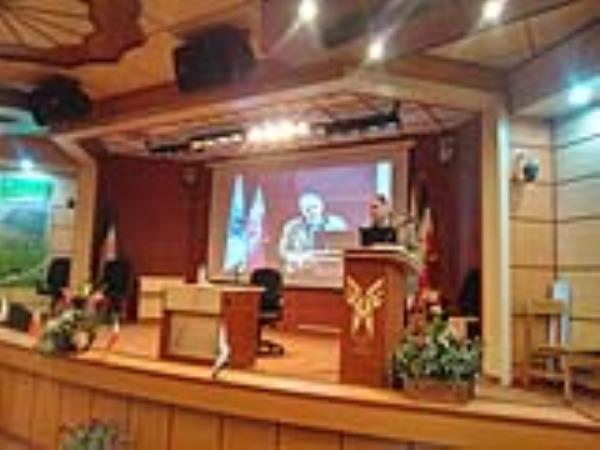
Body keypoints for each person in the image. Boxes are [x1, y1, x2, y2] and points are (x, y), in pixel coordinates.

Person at [279, 192, 348, 272]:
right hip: (302, 267)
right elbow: (283, 251)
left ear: (322, 206)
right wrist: (302, 257)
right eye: (307, 209)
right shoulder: (292, 226)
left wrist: (326, 255)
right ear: (301, 210)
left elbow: (346, 247)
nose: (312, 211)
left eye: (314, 207)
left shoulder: (337, 223)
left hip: (331, 266)